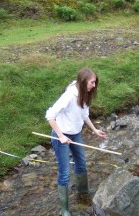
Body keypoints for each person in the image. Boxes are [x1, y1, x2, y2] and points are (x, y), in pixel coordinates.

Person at [45, 67, 107, 216]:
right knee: (65, 172)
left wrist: (95, 130)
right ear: (84, 81)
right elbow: (50, 115)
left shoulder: (85, 94)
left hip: (75, 134)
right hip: (62, 137)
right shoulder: (69, 96)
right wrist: (60, 135)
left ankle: (83, 191)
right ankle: (64, 209)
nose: (94, 85)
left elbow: (84, 115)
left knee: (81, 163)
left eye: (95, 82)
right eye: (92, 82)